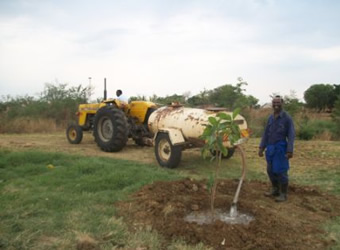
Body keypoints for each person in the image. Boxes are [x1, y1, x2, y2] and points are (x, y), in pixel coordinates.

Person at [258, 95, 295, 202]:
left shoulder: (287, 118)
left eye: (278, 103)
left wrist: (289, 150)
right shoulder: (270, 118)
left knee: (281, 171)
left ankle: (283, 194)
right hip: (270, 148)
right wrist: (261, 147)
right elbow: (266, 133)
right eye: (274, 103)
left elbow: (291, 135)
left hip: (280, 148)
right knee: (270, 170)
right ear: (272, 104)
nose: (276, 105)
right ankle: (275, 189)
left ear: (282, 103)